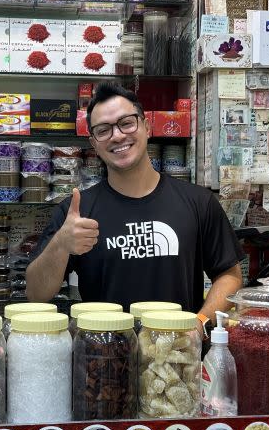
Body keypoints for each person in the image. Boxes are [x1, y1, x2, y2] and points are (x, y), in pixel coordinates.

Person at [26, 83, 244, 324]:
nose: (117, 135)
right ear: (94, 144)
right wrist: (60, 244)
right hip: (104, 355)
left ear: (147, 127)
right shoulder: (75, 213)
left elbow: (229, 275)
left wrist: (199, 322)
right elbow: (36, 295)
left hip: (177, 354)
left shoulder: (198, 202)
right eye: (103, 130)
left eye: (126, 123)